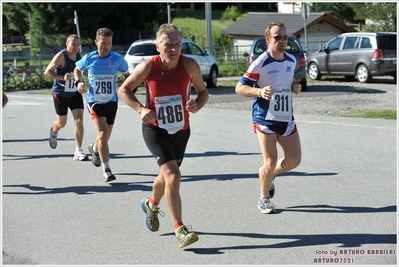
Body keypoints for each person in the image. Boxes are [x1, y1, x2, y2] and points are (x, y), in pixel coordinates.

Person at [118, 23, 209, 248]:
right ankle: (180, 229)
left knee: (166, 176)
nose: (174, 49)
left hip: (181, 130)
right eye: (168, 45)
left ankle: (151, 204)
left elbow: (204, 92)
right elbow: (123, 90)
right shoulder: (148, 67)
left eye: (177, 44)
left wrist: (197, 104)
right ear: (158, 46)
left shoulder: (190, 65)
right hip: (154, 128)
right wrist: (140, 109)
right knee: (173, 177)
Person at [235, 21, 302, 214]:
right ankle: (264, 199)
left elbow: (287, 84)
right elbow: (239, 87)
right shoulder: (260, 62)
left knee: (294, 160)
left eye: (285, 37)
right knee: (270, 160)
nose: (282, 41)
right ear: (268, 40)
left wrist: (294, 88)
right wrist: (259, 92)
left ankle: (270, 175)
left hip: (286, 116)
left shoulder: (291, 60)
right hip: (264, 117)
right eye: (277, 38)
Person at [74, 28, 129, 182]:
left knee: (105, 137)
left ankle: (94, 147)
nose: (106, 46)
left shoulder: (118, 59)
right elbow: (77, 69)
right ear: (96, 42)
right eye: (103, 43)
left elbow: (127, 75)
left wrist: (126, 86)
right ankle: (107, 170)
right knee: (103, 134)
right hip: (94, 101)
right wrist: (78, 83)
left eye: (109, 43)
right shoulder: (89, 58)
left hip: (111, 101)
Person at [44, 34, 89, 161]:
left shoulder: (80, 56)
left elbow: (85, 70)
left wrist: (87, 72)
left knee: (79, 119)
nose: (76, 47)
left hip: (75, 93)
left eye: (78, 44)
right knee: (61, 123)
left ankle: (78, 151)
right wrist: (62, 77)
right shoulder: (61, 56)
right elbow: (47, 72)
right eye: (73, 44)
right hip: (60, 94)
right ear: (67, 44)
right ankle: (54, 131)